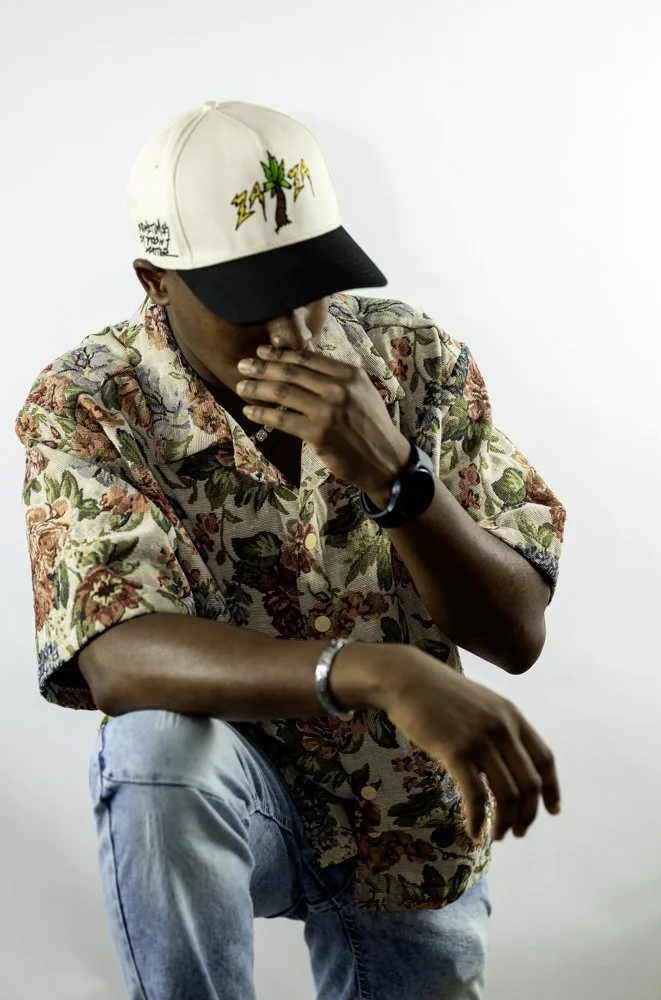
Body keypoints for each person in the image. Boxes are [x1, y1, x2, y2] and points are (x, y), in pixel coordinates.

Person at [16, 101, 566, 1000]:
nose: (294, 333)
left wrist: (397, 475)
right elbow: (115, 654)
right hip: (232, 802)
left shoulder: (409, 355)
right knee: (150, 751)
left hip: (404, 820)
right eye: (248, 302)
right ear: (155, 280)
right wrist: (376, 670)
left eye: (309, 285)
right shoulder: (90, 402)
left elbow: (516, 633)